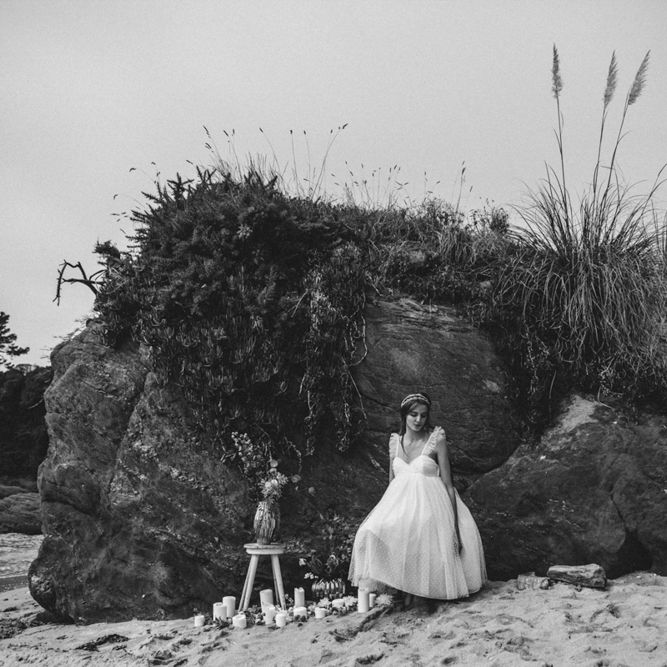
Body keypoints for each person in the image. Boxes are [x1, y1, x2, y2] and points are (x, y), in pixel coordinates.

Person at [348, 391, 486, 601]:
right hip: (402, 506)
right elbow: (392, 484)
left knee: (423, 527)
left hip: (432, 506)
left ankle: (423, 593)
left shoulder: (436, 439)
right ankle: (399, 587)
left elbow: (449, 486)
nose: (418, 420)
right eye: (413, 414)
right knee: (368, 532)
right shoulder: (395, 442)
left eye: (423, 415)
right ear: (404, 415)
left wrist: (455, 529)